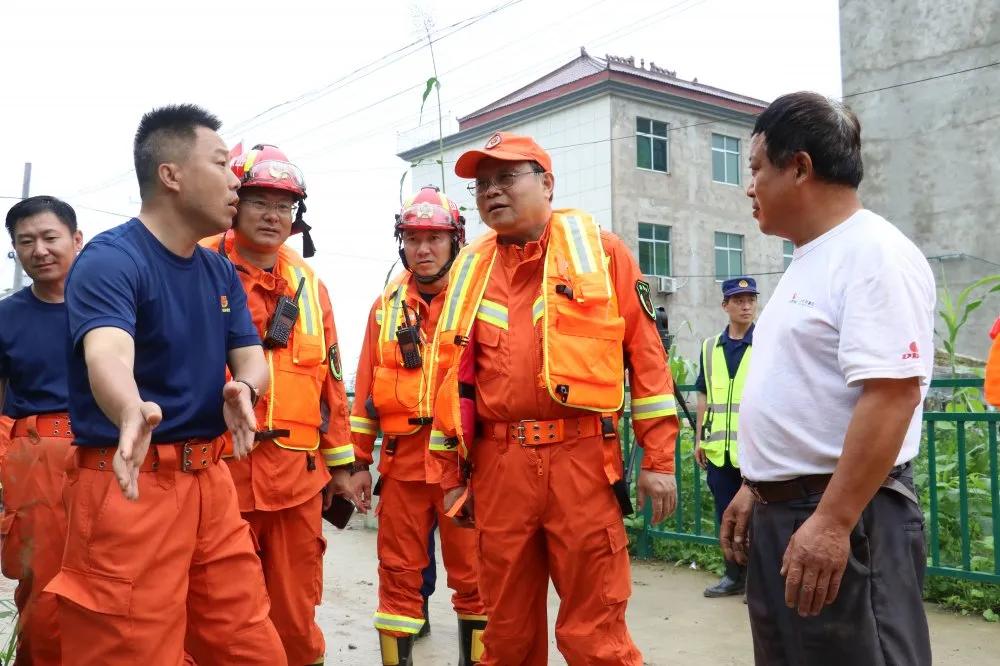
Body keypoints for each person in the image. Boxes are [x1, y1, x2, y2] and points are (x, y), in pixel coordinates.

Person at [46, 104, 287, 665]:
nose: (236, 181)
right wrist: (129, 407)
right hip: (130, 487)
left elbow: (252, 358)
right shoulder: (112, 260)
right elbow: (107, 349)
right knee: (129, 650)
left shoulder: (218, 270)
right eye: (223, 163)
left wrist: (245, 390)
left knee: (248, 645)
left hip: (211, 486)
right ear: (171, 174)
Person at [429, 132, 679, 665]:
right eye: (482, 184)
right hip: (499, 468)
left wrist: (658, 460)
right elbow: (448, 376)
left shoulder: (602, 253)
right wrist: (451, 472)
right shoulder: (470, 270)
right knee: (506, 635)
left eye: (506, 177)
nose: (492, 191)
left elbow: (648, 360)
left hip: (582, 462)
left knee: (597, 636)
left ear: (547, 182)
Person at [720, 92, 935, 665]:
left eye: (756, 168)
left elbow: (891, 396)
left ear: (800, 167)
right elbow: (805, 393)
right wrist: (755, 485)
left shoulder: (874, 254)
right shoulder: (806, 260)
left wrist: (834, 521)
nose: (750, 187)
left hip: (847, 513)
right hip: (792, 513)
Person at [202, 143, 357, 665]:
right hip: (216, 476)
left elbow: (331, 381)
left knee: (294, 615)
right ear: (235, 203)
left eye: (284, 206)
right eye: (260, 201)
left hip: (295, 480)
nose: (273, 216)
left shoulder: (310, 284)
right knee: (218, 617)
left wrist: (344, 465)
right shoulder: (196, 264)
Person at [349, 186, 486, 665]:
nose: (422, 249)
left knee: (476, 576)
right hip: (403, 466)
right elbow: (365, 392)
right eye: (412, 238)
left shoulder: (478, 301)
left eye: (434, 238)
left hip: (464, 469)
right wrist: (357, 462)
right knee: (397, 575)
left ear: (455, 241)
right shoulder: (384, 308)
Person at [0, 196, 82, 663]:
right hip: (36, 458)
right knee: (44, 583)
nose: (40, 250)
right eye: (25, 242)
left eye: (50, 238)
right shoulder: (6, 317)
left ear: (76, 239)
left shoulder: (117, 307)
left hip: (113, 454)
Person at [693, 276, 758, 598]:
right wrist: (699, 439)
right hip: (719, 449)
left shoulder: (766, 342)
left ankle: (759, 582)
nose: (746, 306)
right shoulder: (709, 347)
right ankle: (734, 575)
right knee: (725, 515)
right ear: (725, 305)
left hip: (755, 451)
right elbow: (703, 395)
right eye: (739, 300)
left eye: (750, 300)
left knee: (758, 518)